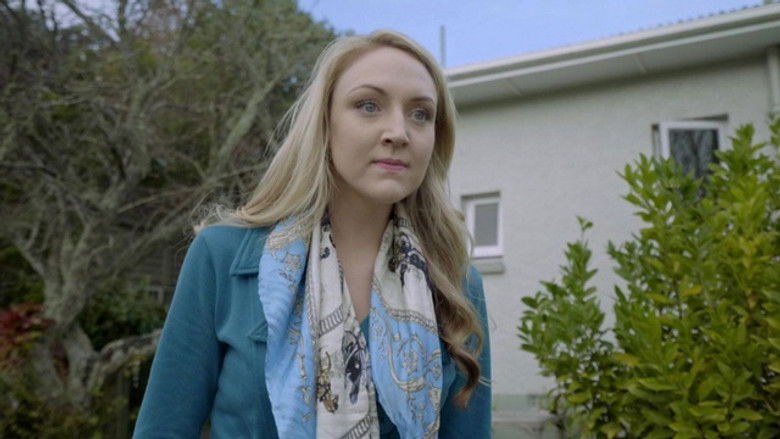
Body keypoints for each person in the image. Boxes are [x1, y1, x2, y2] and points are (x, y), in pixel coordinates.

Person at [133, 29, 491, 439]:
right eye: (369, 105)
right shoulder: (222, 256)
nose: (398, 131)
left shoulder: (456, 285)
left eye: (420, 114)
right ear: (324, 122)